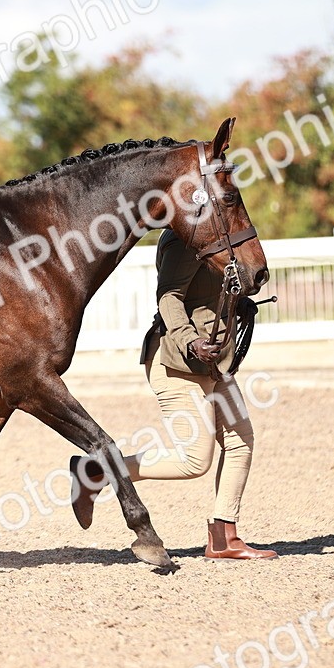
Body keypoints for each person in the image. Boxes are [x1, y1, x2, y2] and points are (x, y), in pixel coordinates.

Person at [69, 228, 277, 560]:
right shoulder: (185, 241)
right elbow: (169, 296)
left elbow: (208, 295)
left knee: (240, 440)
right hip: (177, 360)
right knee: (194, 460)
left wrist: (240, 305)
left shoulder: (217, 237)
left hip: (213, 361)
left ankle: (224, 536)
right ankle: (95, 470)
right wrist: (190, 340)